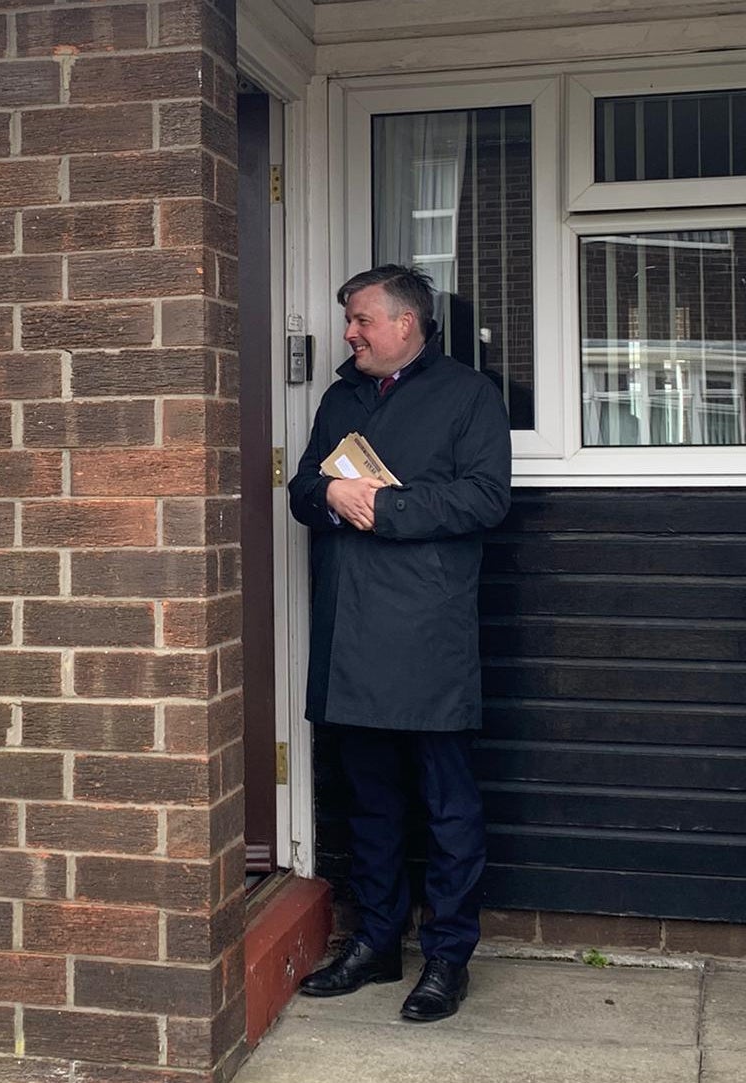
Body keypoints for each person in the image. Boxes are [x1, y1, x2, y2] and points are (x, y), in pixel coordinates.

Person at [288, 265, 511, 1022]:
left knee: (448, 806)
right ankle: (377, 944)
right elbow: (300, 490)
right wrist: (327, 493)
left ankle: (447, 958)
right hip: (349, 629)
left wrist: (381, 505)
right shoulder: (340, 396)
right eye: (350, 320)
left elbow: (486, 496)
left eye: (360, 319)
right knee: (370, 800)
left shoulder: (469, 396)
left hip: (427, 633)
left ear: (405, 325)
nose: (349, 332)